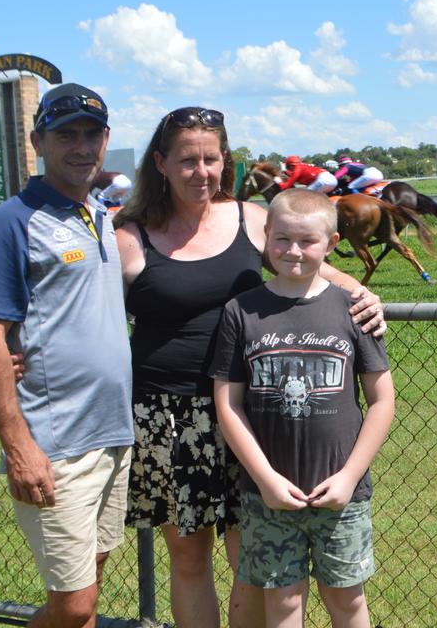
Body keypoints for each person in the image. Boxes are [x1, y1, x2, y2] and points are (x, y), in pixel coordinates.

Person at [113, 107, 385, 628]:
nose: (201, 172)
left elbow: (316, 267)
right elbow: (93, 314)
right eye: (187, 160)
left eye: (211, 159)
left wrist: (366, 296)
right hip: (168, 416)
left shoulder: (252, 220)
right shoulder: (131, 233)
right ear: (160, 163)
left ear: (226, 162)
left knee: (254, 559)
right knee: (189, 557)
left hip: (256, 413)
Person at [0, 83, 134, 626]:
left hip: (112, 436)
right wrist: (18, 446)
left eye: (92, 134)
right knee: (74, 603)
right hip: (54, 444)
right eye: (67, 135)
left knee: (88, 589)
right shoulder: (14, 221)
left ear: (106, 140)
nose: (82, 146)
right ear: (39, 140)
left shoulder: (101, 215)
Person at [211, 188, 395, 628]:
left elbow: (382, 400)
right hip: (268, 496)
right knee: (283, 605)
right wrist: (266, 479)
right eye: (282, 240)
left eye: (308, 241)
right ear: (266, 237)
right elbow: (228, 403)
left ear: (332, 245)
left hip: (341, 495)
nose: (293, 251)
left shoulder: (352, 309)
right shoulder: (242, 311)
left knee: (347, 601)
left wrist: (349, 477)